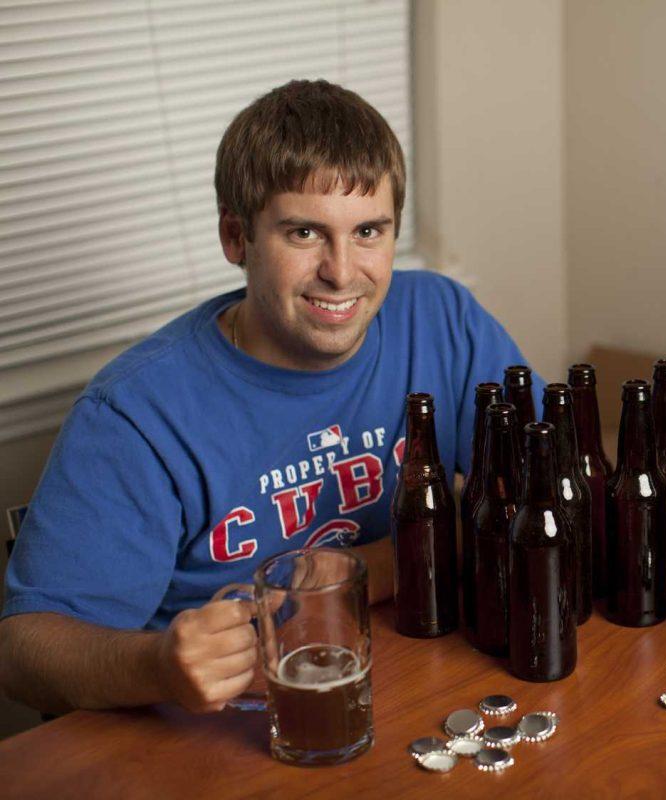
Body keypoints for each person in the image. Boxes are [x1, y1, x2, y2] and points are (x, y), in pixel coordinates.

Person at [0, 80, 542, 714]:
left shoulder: (443, 319)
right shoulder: (135, 414)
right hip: (212, 732)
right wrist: (155, 667)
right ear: (237, 239)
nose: (343, 272)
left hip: (411, 683)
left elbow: (539, 501)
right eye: (304, 234)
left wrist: (370, 568)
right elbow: (22, 650)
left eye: (368, 230)